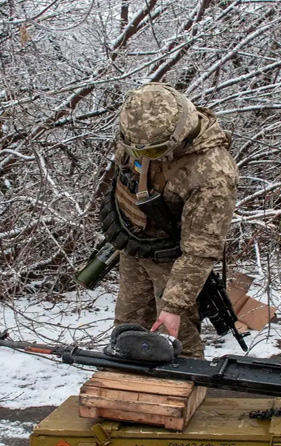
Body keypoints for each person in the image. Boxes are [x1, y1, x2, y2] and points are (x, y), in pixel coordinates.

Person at [101, 83, 238, 359]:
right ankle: (129, 391)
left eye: (152, 152)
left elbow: (200, 249)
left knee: (175, 342)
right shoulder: (139, 132)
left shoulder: (211, 173)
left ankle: (181, 394)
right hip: (134, 246)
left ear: (179, 133)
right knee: (127, 333)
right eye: (135, 148)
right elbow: (122, 176)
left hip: (175, 264)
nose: (141, 156)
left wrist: (174, 305)